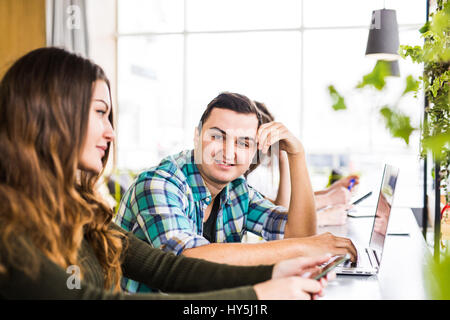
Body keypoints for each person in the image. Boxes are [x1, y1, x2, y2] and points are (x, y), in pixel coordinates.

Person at [0, 47, 334, 300]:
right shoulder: (10, 232)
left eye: (244, 143)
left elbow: (167, 269)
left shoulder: (77, 208)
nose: (111, 132)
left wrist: (277, 272)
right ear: (51, 117)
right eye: (100, 113)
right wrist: (257, 297)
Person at [115, 91, 357, 293]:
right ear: (197, 135)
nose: (229, 152)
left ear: (254, 150)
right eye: (217, 137)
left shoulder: (237, 189)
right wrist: (304, 248)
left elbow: (299, 234)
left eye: (243, 142)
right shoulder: (159, 184)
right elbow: (187, 260)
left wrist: (296, 154)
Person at [246, 101, 360, 227]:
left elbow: (284, 202)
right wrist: (327, 201)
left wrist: (329, 191)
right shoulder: (248, 177)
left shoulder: (249, 179)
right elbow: (281, 208)